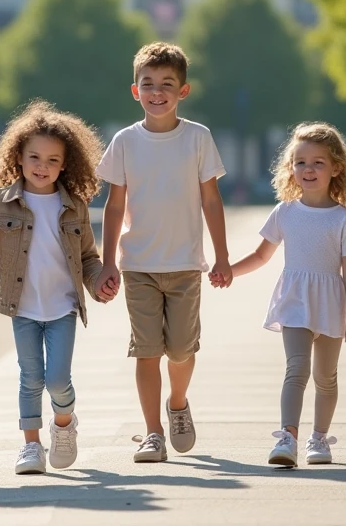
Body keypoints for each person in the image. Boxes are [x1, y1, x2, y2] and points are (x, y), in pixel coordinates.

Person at [0, 100, 115, 474]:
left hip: (62, 306)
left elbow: (89, 257)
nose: (43, 167)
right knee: (30, 379)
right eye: (35, 157)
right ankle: (30, 447)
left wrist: (99, 281)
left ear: (65, 164)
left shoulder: (74, 206)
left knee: (57, 381)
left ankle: (64, 424)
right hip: (21, 306)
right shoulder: (2, 201)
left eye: (53, 160)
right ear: (18, 158)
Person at [95, 42, 229, 463]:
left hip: (186, 264)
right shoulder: (124, 142)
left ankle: (177, 402)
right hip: (138, 266)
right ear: (135, 90)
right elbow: (114, 205)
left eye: (166, 84)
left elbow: (211, 200)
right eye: (147, 84)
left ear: (183, 91)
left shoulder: (198, 138)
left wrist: (222, 256)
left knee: (182, 350)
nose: (157, 92)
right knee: (147, 350)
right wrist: (106, 262)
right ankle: (153, 433)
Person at [218, 122, 346, 467]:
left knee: (325, 376)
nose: (309, 169)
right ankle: (288, 438)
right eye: (301, 162)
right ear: (291, 168)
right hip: (295, 302)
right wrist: (228, 271)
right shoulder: (285, 211)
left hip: (331, 305)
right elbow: (260, 256)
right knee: (296, 369)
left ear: (336, 168)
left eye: (318, 162)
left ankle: (319, 439)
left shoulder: (344, 220)